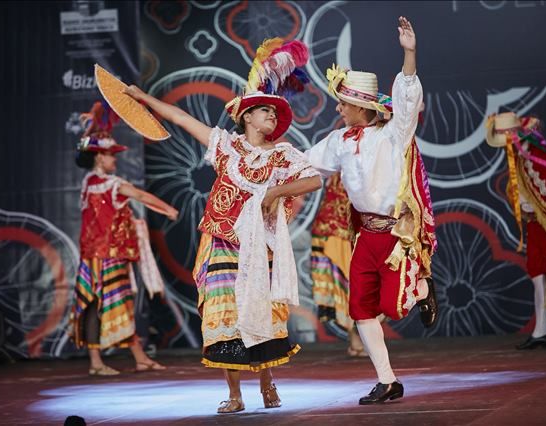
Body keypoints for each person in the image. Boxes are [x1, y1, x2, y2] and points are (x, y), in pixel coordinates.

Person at [123, 38, 322, 413]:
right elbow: (181, 118)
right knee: (222, 315)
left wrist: (277, 190)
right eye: (266, 112)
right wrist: (143, 97)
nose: (273, 118)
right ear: (246, 116)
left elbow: (312, 180)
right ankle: (234, 394)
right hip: (221, 241)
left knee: (259, 314)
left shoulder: (283, 154)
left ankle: (267, 382)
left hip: (258, 245)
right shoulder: (225, 146)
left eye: (276, 115)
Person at [306, 16, 438, 404]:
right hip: (365, 235)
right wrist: (262, 166)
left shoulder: (393, 135)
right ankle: (388, 380)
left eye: (343, 103)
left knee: (391, 308)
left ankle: (424, 287)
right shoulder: (338, 141)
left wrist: (409, 52)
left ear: (360, 106)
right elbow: (304, 164)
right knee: (360, 309)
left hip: (395, 235)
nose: (338, 108)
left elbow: (408, 96)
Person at [70, 101, 179, 376]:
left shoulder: (89, 184)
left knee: (98, 304)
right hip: (107, 255)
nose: (114, 160)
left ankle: (129, 358)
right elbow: (140, 195)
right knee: (108, 305)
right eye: (110, 156)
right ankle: (105, 361)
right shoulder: (111, 184)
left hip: (95, 254)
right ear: (99, 158)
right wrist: (167, 209)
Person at [485, 112, 546, 350]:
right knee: (539, 275)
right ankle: (541, 330)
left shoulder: (537, 154)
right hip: (536, 223)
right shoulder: (519, 155)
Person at [310, 173, 366, 357]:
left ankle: (361, 339)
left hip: (354, 228)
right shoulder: (340, 156)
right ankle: (356, 339)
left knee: (361, 286)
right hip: (337, 231)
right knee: (346, 286)